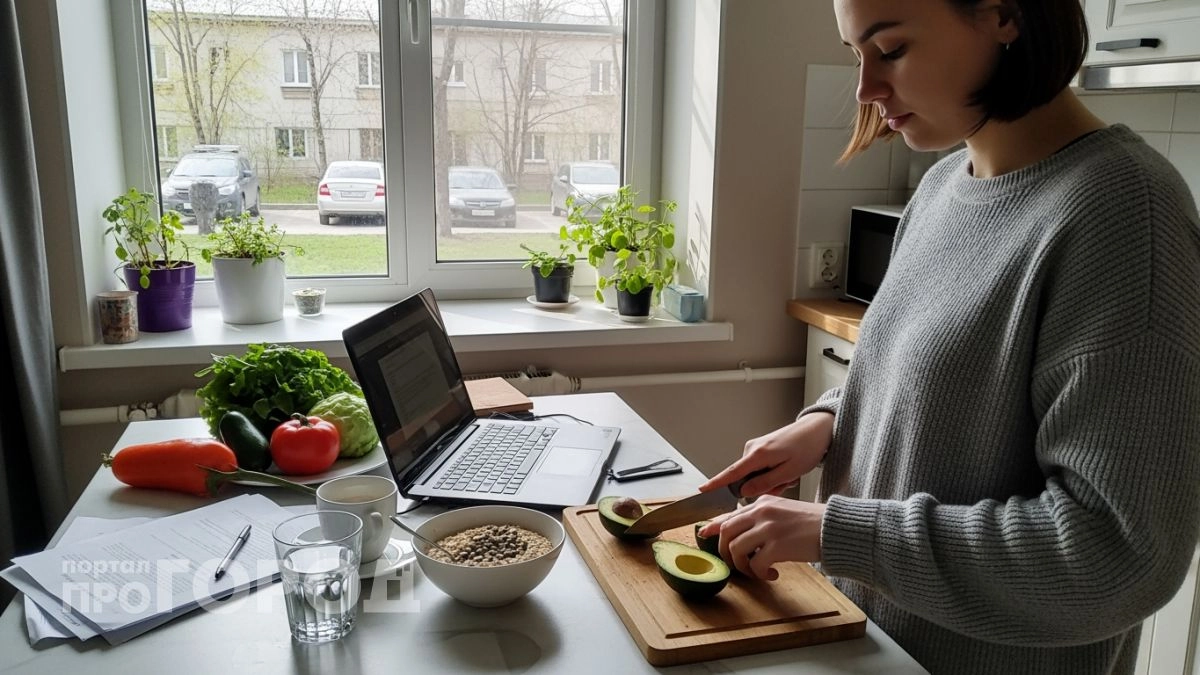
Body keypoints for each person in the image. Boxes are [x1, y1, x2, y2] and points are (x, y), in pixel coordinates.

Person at [697, 1, 1200, 673]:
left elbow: (1115, 554)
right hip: (869, 645)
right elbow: (935, 375)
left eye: (892, 50)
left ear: (1003, 15)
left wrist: (836, 532)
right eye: (857, 56)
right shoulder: (940, 189)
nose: (867, 91)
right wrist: (828, 423)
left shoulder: (1123, 215)